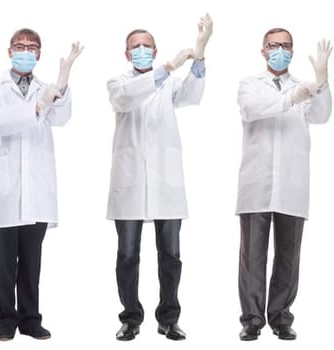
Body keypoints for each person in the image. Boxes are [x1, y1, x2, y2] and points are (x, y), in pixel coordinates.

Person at [106, 14, 210, 342]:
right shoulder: (118, 83)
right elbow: (127, 98)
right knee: (127, 255)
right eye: (134, 47)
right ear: (126, 54)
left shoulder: (169, 85)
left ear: (154, 49)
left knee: (171, 256)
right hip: (130, 184)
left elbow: (192, 96)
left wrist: (200, 52)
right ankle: (131, 318)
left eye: (146, 46)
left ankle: (169, 318)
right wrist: (166, 66)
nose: (140, 51)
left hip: (166, 184)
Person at [0, 28, 81, 342]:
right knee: (3, 263)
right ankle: (6, 320)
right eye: (20, 46)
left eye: (32, 47)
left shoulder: (46, 88)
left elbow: (62, 118)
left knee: (31, 262)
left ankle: (30, 319)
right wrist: (38, 106)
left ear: (39, 54)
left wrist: (62, 82)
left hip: (37, 190)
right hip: (6, 189)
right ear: (9, 51)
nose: (26, 51)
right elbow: (0, 121)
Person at [233, 28, 332, 342]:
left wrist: (322, 81)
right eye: (274, 45)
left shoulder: (304, 86)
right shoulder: (250, 85)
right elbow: (253, 110)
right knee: (253, 257)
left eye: (286, 46)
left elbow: (323, 115)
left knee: (289, 257)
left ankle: (281, 318)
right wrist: (293, 97)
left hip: (292, 184)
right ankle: (251, 320)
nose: (281, 50)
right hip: (256, 183)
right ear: (263, 50)